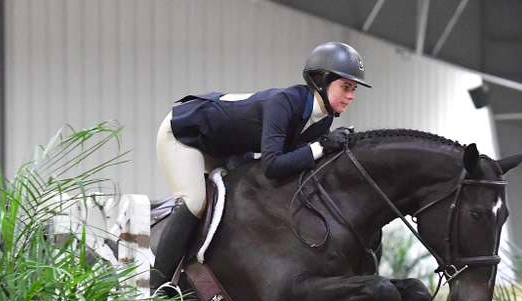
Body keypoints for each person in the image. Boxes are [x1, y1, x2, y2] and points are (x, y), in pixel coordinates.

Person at [152, 41, 370, 282]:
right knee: (195, 202)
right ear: (321, 81)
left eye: (354, 89)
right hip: (185, 134)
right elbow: (273, 165)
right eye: (346, 87)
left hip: (226, 148)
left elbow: (298, 163)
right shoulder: (284, 103)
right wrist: (321, 147)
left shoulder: (323, 120)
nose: (351, 96)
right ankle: (157, 287)